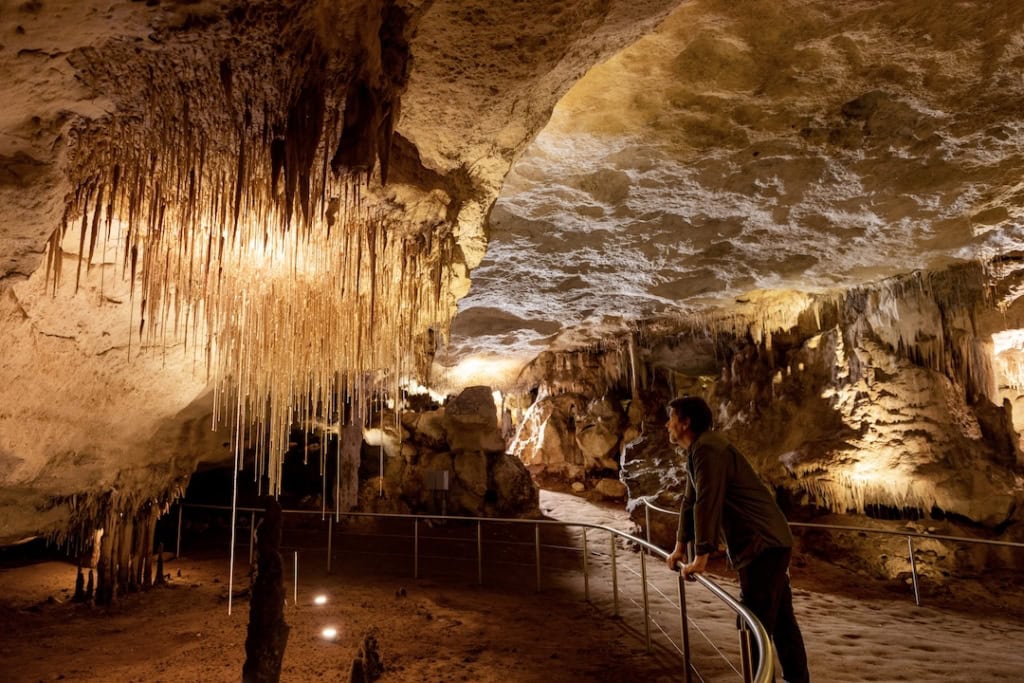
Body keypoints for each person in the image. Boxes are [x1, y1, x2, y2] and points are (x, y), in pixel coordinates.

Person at [664, 396, 809, 683]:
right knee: (780, 620)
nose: (667, 425)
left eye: (671, 418)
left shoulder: (708, 449)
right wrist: (680, 546)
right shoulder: (699, 449)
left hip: (762, 542)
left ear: (685, 422)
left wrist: (701, 556)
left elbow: (708, 500)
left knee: (755, 622)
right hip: (767, 539)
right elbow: (690, 501)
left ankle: (759, 679)